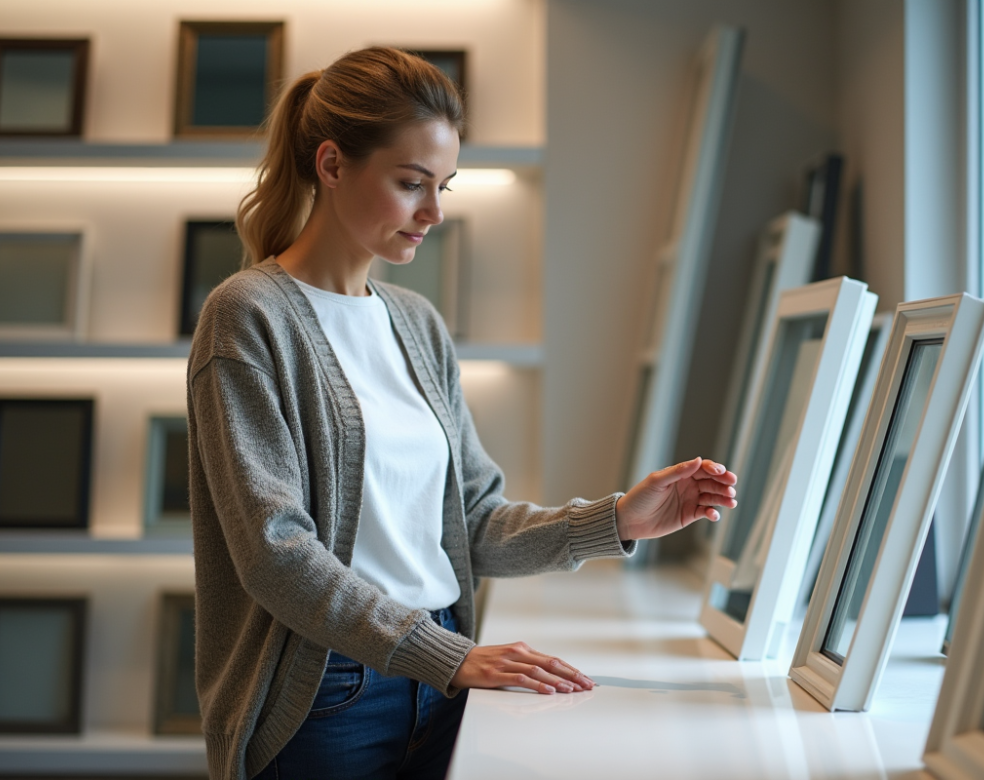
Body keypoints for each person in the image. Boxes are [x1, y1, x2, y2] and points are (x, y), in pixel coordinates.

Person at [186, 46, 738, 780]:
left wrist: (616, 521)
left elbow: (471, 523)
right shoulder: (247, 317)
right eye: (411, 183)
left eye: (442, 186)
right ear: (332, 164)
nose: (435, 212)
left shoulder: (417, 323)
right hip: (328, 691)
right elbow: (274, 553)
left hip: (443, 673)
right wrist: (444, 655)